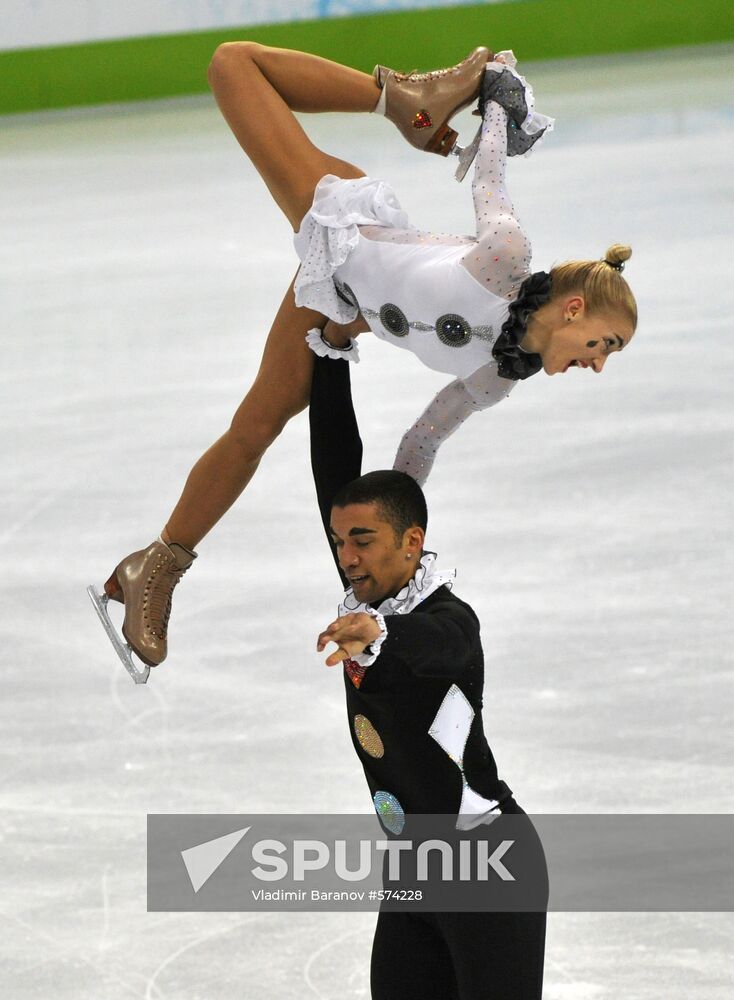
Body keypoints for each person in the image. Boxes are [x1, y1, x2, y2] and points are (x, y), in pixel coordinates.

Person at [88, 41, 638, 674]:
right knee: (232, 68)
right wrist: (493, 112)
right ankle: (398, 96)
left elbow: (422, 441)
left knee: (254, 428)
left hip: (339, 305)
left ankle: (153, 567)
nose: (599, 364)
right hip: (345, 227)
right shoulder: (505, 259)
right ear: (574, 310)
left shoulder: (495, 376)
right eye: (604, 345)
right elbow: (491, 179)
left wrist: (395, 553)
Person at [310, 352, 547, 1000]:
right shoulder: (367, 592)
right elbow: (332, 463)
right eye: (339, 542)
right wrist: (327, 350)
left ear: (412, 543)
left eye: (362, 539)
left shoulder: (440, 618)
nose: (347, 557)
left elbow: (444, 645)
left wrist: (381, 635)